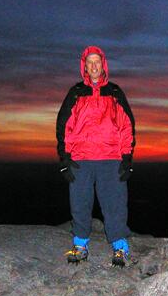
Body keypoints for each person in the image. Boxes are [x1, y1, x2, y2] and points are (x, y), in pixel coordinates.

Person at [56, 45, 135, 267]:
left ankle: (120, 247)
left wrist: (127, 157)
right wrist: (65, 159)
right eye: (89, 62)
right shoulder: (76, 92)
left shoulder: (115, 92)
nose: (93, 66)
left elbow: (126, 125)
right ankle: (80, 244)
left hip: (111, 157)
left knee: (115, 203)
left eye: (97, 62)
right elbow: (64, 126)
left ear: (103, 65)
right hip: (81, 158)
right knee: (80, 202)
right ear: (84, 66)